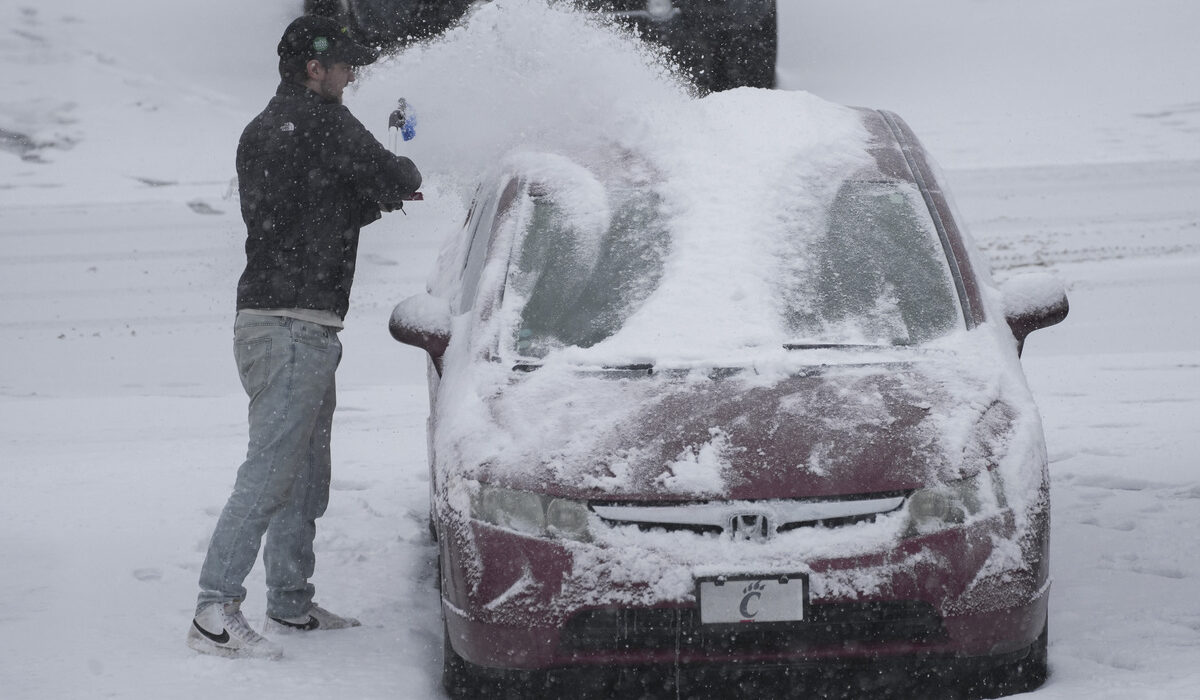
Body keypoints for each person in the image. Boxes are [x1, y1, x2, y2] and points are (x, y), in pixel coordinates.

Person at [187, 15, 422, 660]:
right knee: (269, 474)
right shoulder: (320, 121)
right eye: (345, 66)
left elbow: (322, 208)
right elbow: (389, 174)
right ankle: (215, 608)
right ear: (314, 68)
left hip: (294, 323)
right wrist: (405, 165)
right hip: (289, 327)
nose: (353, 76)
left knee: (304, 474)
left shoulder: (273, 130)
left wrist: (383, 190)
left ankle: (290, 602)